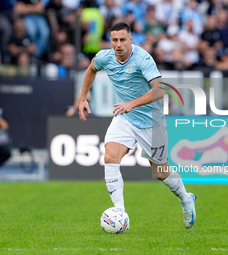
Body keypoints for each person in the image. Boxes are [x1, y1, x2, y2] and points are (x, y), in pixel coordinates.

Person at [72, 22, 196, 229]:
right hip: (125, 118)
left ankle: (186, 199)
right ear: (110, 41)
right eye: (114, 40)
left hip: (151, 122)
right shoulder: (105, 57)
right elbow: (91, 69)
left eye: (122, 40)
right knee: (110, 156)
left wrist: (132, 103)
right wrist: (83, 98)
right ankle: (120, 213)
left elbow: (159, 90)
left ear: (131, 39)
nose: (118, 44)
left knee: (161, 173)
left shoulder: (143, 58)